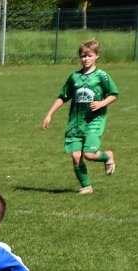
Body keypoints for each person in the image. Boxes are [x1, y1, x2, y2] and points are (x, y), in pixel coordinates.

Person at [42, 38, 118, 195]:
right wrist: (49, 114)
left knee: (89, 154)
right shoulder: (74, 77)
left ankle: (107, 156)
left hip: (94, 121)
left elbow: (114, 94)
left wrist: (101, 103)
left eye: (90, 55)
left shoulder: (102, 76)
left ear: (97, 55)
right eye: (83, 56)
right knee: (76, 156)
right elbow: (63, 96)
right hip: (76, 122)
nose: (86, 59)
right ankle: (87, 186)